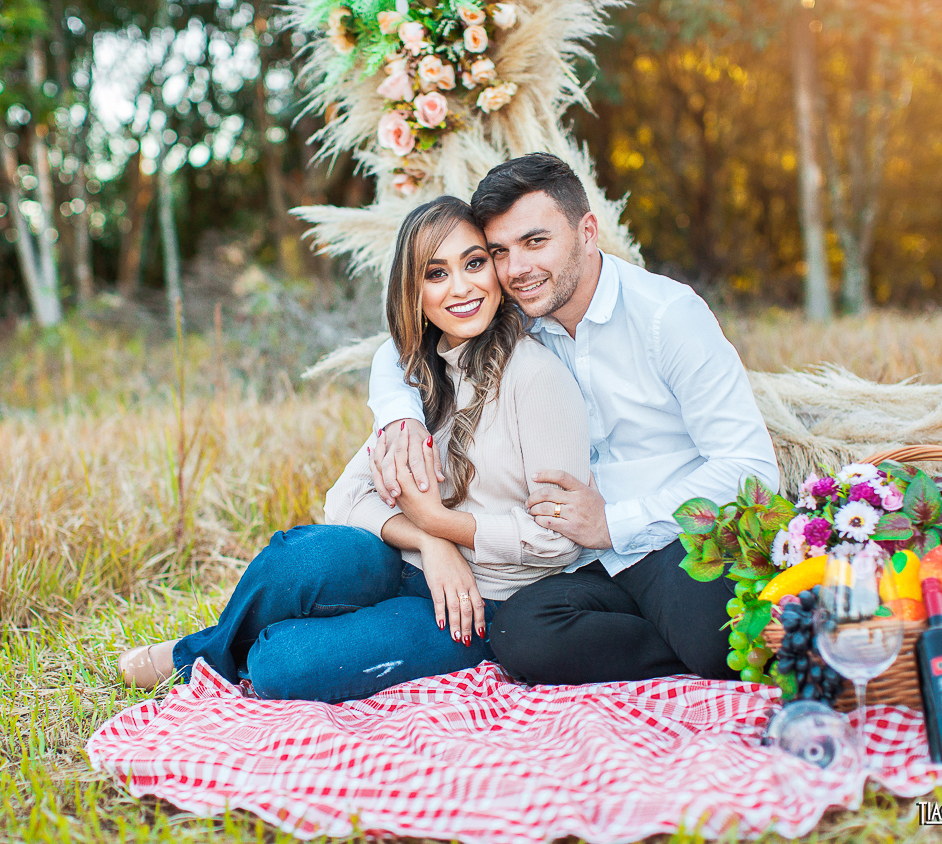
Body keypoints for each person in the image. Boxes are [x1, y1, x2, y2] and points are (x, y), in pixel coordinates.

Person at [117, 196, 590, 701]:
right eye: (436, 273)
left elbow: (558, 541)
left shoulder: (539, 379)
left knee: (283, 665)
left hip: (482, 598)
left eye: (474, 263)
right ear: (414, 292)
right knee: (297, 558)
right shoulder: (418, 381)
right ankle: (205, 655)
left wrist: (445, 528)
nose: (461, 288)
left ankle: (215, 652)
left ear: (496, 271)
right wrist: (432, 542)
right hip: (406, 558)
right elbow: (344, 498)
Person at [368, 153, 780, 685]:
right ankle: (664, 636)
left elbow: (750, 470)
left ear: (588, 231)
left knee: (715, 641)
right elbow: (402, 344)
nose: (516, 269)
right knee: (521, 635)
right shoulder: (520, 308)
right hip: (580, 558)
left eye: (535, 242)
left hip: (670, 537)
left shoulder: (667, 316)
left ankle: (691, 637)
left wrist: (615, 521)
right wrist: (399, 414)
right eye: (500, 252)